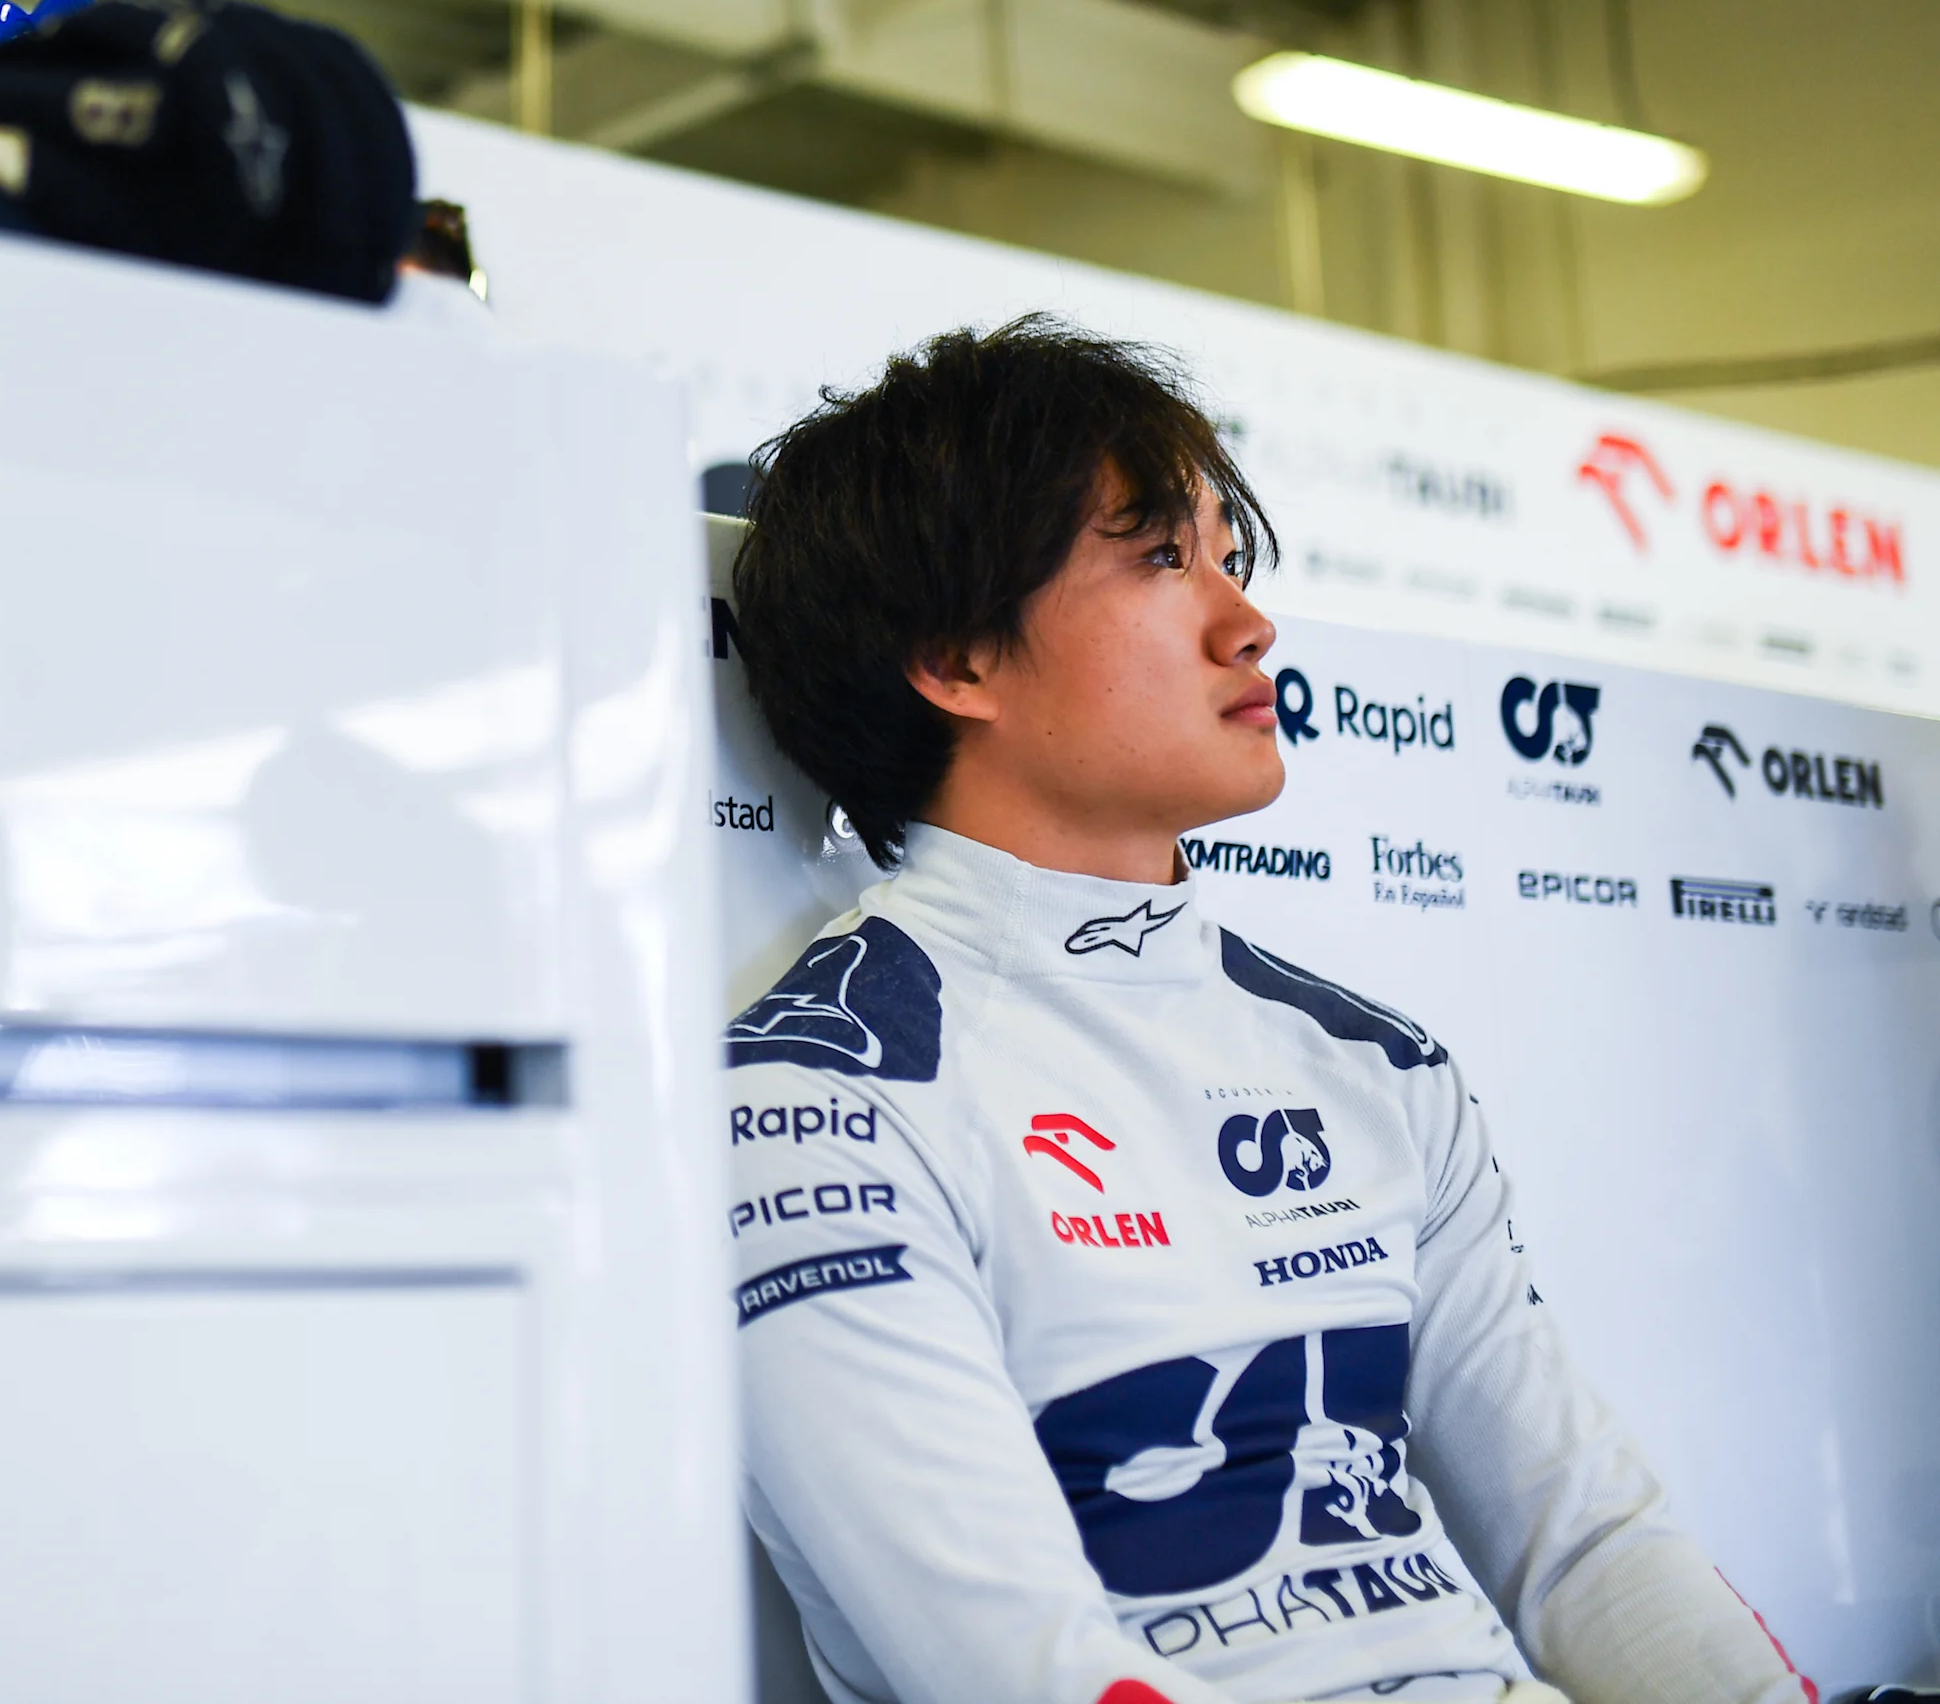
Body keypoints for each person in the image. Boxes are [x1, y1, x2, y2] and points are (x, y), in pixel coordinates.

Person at [721, 319, 1821, 1704]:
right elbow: (1028, 1674)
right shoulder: (812, 1102)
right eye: (1159, 559)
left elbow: (1590, 1547)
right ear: (956, 658)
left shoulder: (1376, 1063)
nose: (1248, 623)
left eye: (1226, 558)